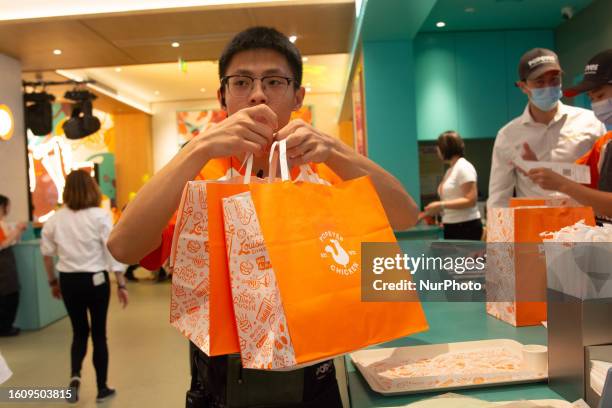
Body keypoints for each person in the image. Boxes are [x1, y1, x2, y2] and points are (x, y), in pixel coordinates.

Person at [108, 26, 419, 407]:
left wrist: (335, 149)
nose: (257, 93)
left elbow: (405, 215)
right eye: (241, 82)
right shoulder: (201, 175)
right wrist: (198, 148)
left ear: (297, 95)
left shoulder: (320, 170)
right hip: (221, 384)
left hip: (315, 379)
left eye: (273, 81)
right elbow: (123, 246)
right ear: (222, 96)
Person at [40, 170, 129, 404]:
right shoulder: (100, 216)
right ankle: (102, 388)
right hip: (96, 280)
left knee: (78, 332)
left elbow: (47, 255)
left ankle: (75, 377)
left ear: (66, 190)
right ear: (93, 188)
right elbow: (112, 251)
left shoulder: (55, 219)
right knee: (99, 334)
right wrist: (121, 283)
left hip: (69, 281)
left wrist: (52, 282)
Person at [487, 48, 606, 209]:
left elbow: (603, 179)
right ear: (523, 86)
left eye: (554, 80)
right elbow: (499, 197)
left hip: (585, 225)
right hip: (534, 226)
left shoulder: (591, 122)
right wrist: (497, 232)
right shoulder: (508, 135)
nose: (548, 86)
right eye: (540, 82)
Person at [525, 49, 612, 224]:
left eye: (601, 95)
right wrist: (539, 168)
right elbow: (580, 173)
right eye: (592, 98)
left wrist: (562, 185)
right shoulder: (606, 143)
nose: (597, 105)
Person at [422, 131, 483, 240]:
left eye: (438, 146)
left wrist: (441, 205)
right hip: (453, 225)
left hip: (465, 226)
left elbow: (471, 200)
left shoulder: (463, 167)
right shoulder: (451, 170)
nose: (437, 150)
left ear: (445, 148)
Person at [0, 195, 27, 337]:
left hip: (7, 264)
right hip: (3, 267)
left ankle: (6, 326)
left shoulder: (3, 223)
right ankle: (5, 327)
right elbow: (3, 244)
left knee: (10, 294)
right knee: (8, 296)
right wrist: (17, 230)